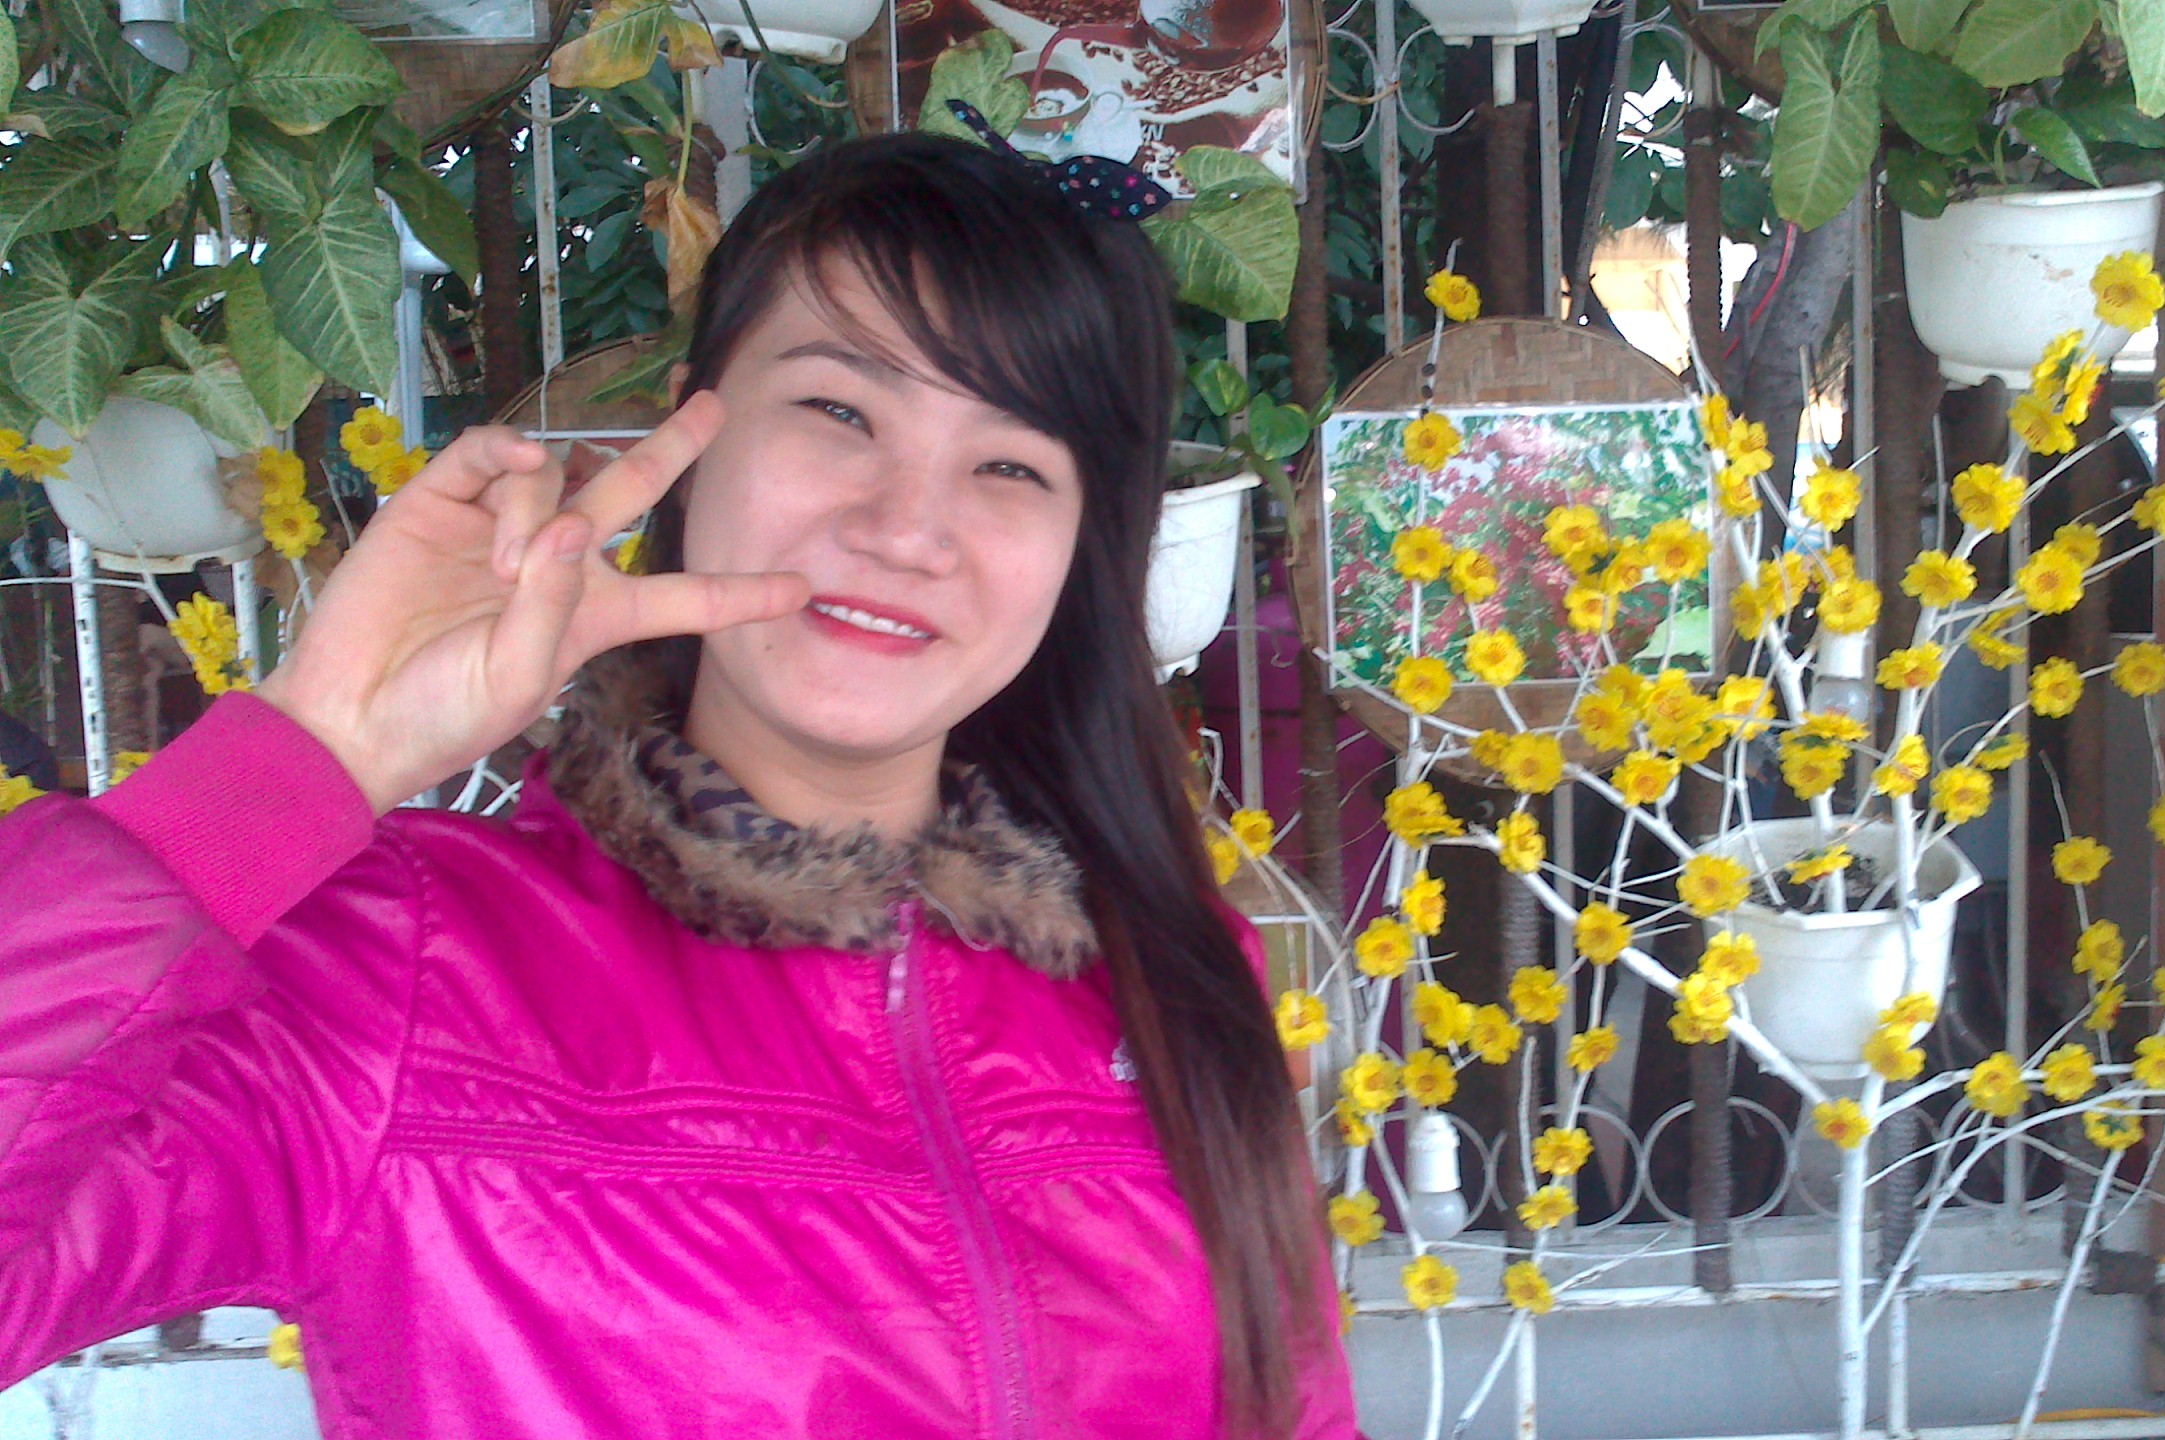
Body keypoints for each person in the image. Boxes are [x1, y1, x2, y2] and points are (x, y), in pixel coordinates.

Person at [0, 131, 1360, 1438]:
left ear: (1082, 547)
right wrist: (309, 750)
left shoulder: (1171, 971)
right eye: (838, 410)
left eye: (1011, 464)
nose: (906, 528)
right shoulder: (407, 972)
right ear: (687, 444)